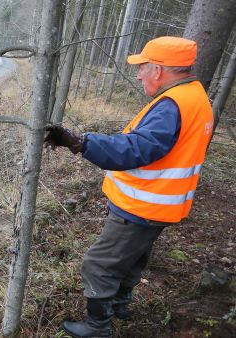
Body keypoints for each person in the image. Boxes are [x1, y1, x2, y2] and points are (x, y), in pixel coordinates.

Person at [44, 36, 214, 338]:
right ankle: (120, 306)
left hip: (142, 207)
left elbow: (135, 149)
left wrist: (80, 143)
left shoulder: (171, 106)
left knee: (99, 263)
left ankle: (98, 327)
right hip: (161, 204)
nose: (138, 74)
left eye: (143, 67)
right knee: (132, 256)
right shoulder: (194, 95)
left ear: (159, 70)